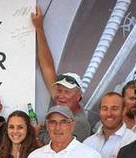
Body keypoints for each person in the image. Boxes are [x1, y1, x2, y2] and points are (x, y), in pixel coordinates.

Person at [32, 8, 92, 140]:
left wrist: (35, 138)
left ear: (78, 96)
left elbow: (55, 150)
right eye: (59, 90)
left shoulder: (78, 123)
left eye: (67, 92)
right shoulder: (62, 104)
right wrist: (39, 28)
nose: (61, 95)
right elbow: (47, 66)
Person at [84, 92, 136, 158]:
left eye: (114, 109)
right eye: (104, 108)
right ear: (100, 111)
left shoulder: (133, 141)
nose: (109, 114)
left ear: (124, 111)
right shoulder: (88, 142)